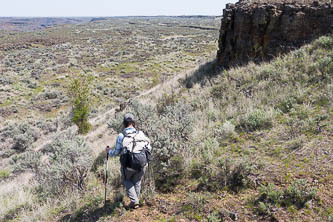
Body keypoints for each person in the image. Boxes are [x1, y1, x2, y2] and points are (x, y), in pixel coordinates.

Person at [106, 113, 151, 209]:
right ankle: (136, 201)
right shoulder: (141, 133)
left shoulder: (121, 136)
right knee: (137, 181)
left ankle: (135, 201)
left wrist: (109, 151)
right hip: (142, 163)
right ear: (133, 123)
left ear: (124, 123)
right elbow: (148, 147)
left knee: (127, 180)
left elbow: (116, 152)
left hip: (128, 165)